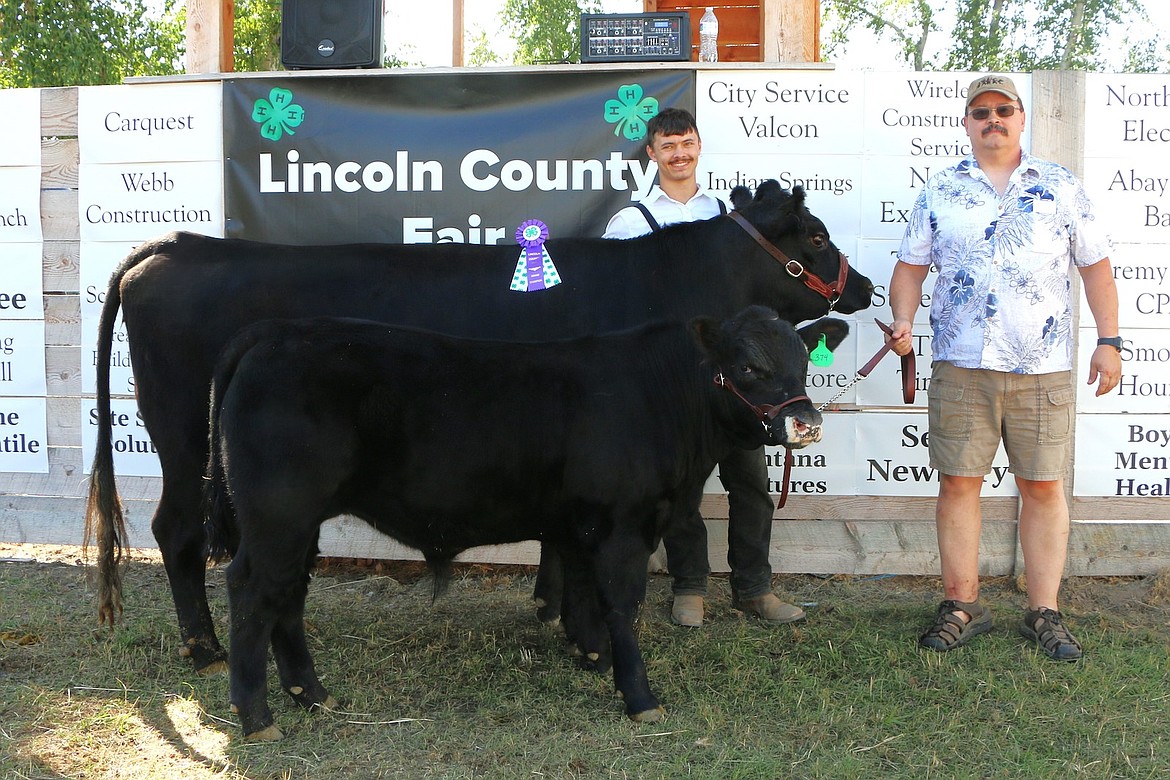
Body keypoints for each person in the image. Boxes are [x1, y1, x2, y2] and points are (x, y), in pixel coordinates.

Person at [886, 75, 1122, 661]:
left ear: (1021, 119)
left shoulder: (1061, 187)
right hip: (961, 364)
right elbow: (911, 268)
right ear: (966, 123)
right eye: (980, 112)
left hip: (1043, 367)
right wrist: (903, 321)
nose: (993, 119)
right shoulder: (939, 190)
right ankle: (961, 605)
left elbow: (1096, 268)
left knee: (1042, 486)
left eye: (1003, 110)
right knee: (959, 484)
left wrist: (1110, 340)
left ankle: (1045, 613)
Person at [603, 107, 805, 628]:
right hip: (674, 384)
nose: (679, 154)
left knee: (751, 482)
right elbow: (613, 301)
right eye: (667, 146)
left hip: (741, 381)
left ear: (699, 147)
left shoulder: (731, 218)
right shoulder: (630, 223)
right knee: (683, 491)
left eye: (687, 143)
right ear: (651, 153)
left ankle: (754, 589)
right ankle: (689, 587)